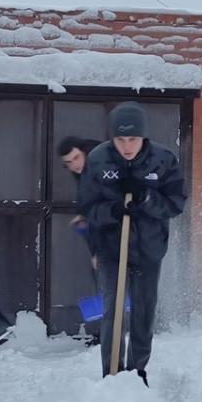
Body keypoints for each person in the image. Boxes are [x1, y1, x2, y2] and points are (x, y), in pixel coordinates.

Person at [77, 102, 186, 383]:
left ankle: (138, 371)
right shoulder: (99, 160)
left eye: (133, 139)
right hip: (111, 250)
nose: (127, 146)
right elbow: (87, 207)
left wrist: (146, 198)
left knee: (143, 310)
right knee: (112, 310)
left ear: (144, 137)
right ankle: (111, 372)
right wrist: (112, 211)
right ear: (112, 138)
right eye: (121, 139)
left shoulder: (163, 160)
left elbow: (176, 204)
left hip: (149, 250)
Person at [57, 135, 101, 264]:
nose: (74, 165)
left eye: (76, 158)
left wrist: (98, 252)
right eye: (68, 163)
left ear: (85, 152)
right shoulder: (82, 172)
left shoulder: (101, 165)